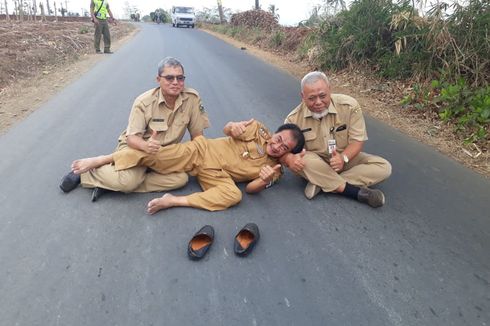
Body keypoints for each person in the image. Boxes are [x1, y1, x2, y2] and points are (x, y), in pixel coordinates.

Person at [68, 119, 305, 213]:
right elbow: (229, 128)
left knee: (234, 195)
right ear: (275, 132)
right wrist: (232, 127)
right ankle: (102, 160)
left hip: (218, 175)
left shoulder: (277, 171)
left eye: (284, 148)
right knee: (155, 156)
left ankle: (172, 201)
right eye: (278, 139)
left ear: (288, 154)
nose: (277, 146)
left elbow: (251, 190)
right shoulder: (258, 130)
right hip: (201, 152)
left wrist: (263, 180)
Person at [60, 57, 210, 201]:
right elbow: (132, 138)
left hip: (165, 153)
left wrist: (201, 160)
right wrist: (146, 145)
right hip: (137, 149)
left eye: (180, 78)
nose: (176, 82)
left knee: (180, 179)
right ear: (158, 80)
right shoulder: (144, 102)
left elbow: (197, 136)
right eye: (169, 78)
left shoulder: (192, 99)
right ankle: (87, 175)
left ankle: (112, 184)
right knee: (128, 182)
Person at [282, 71, 392, 208]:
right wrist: (289, 159)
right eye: (311, 98)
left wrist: (343, 158)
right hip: (315, 164)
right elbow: (283, 151)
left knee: (384, 167)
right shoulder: (293, 119)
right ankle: (347, 188)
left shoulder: (350, 106)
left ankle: (321, 184)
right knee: (304, 159)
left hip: (344, 158)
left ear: (330, 90)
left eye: (323, 96)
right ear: (302, 97)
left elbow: (357, 141)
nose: (318, 102)